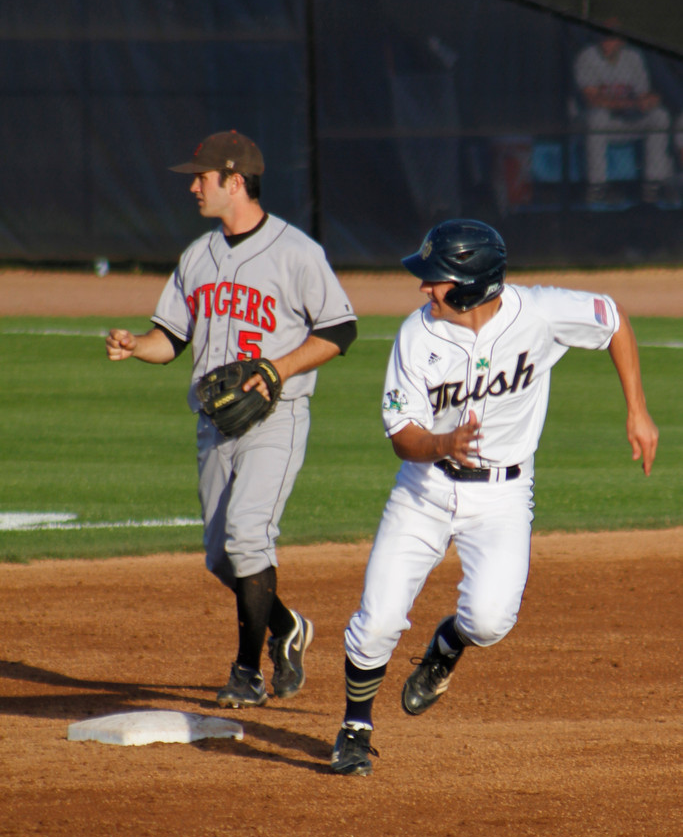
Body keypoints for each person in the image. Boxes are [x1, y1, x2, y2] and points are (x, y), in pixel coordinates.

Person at [330, 218, 658, 776]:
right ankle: (354, 728)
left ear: (470, 285)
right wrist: (442, 443)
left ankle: (446, 648)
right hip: (424, 490)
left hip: (503, 496)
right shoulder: (417, 334)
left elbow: (614, 319)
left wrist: (638, 409)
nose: (424, 289)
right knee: (380, 617)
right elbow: (402, 437)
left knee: (488, 621)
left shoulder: (541, 312)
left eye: (435, 279)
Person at [106, 129, 357, 708]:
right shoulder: (198, 256)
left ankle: (247, 672)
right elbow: (170, 338)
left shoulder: (297, 252)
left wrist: (280, 367)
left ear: (234, 181)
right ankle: (286, 626)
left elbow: (340, 328)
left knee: (249, 536)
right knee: (222, 557)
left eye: (202, 177)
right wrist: (135, 344)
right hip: (214, 425)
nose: (193, 186)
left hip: (277, 416)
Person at [573, 22, 676, 205]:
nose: (606, 40)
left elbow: (643, 94)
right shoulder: (587, 57)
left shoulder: (633, 57)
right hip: (596, 124)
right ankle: (598, 186)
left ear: (621, 40)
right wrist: (632, 103)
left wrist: (649, 101)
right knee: (598, 117)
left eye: (611, 36)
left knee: (659, 115)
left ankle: (653, 184)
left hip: (628, 120)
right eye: (602, 34)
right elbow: (592, 100)